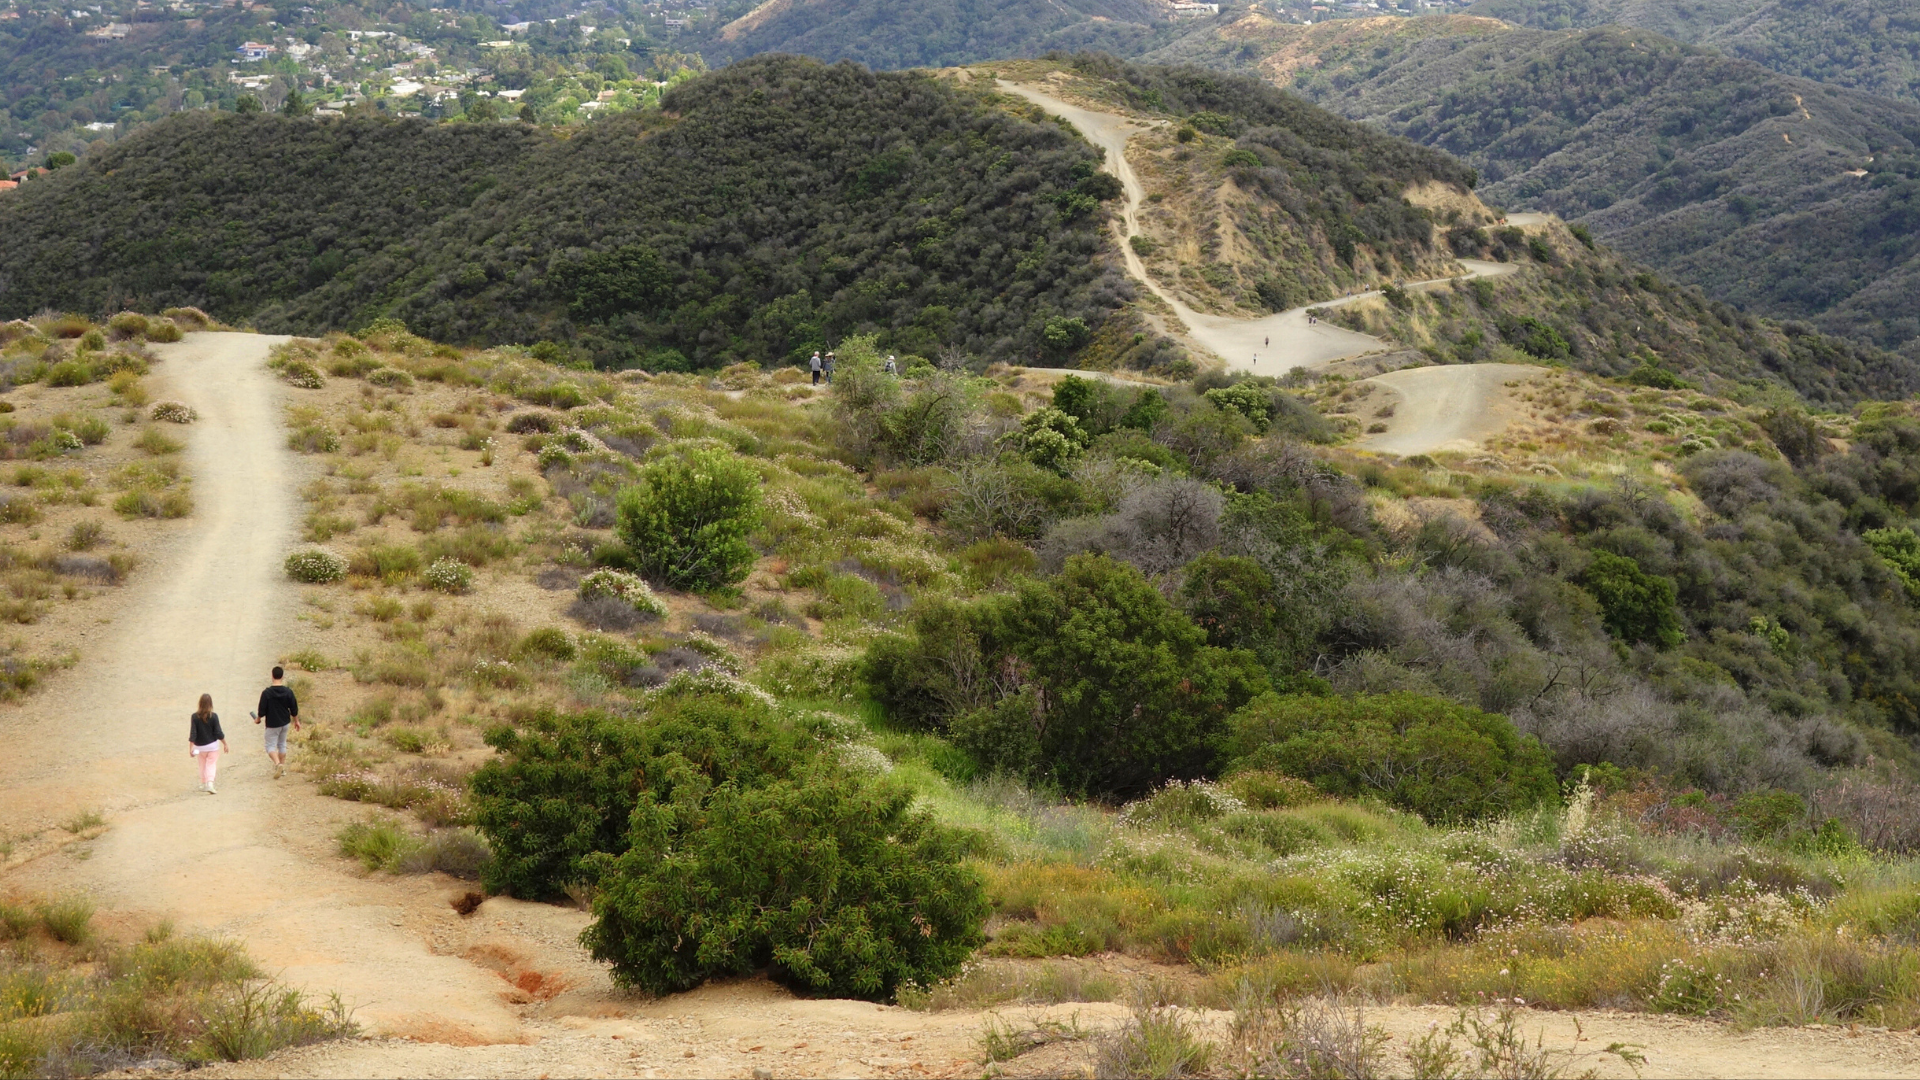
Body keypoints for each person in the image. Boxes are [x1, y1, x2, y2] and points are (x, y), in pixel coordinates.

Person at [253, 666, 300, 779]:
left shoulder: (267, 693)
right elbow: (293, 707)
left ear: (272, 676)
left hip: (272, 723)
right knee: (282, 744)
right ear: (282, 676)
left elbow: (262, 710)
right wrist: (296, 721)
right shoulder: (288, 692)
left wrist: (258, 718)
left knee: (270, 746)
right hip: (285, 722)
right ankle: (282, 768)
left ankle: (278, 764)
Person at [189, 693, 228, 794]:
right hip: (212, 746)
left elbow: (193, 733)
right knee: (211, 764)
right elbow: (218, 732)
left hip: (199, 747)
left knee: (202, 764)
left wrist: (191, 748)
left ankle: (203, 783)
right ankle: (210, 783)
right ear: (210, 703)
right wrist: (225, 743)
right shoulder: (214, 716)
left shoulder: (194, 716)